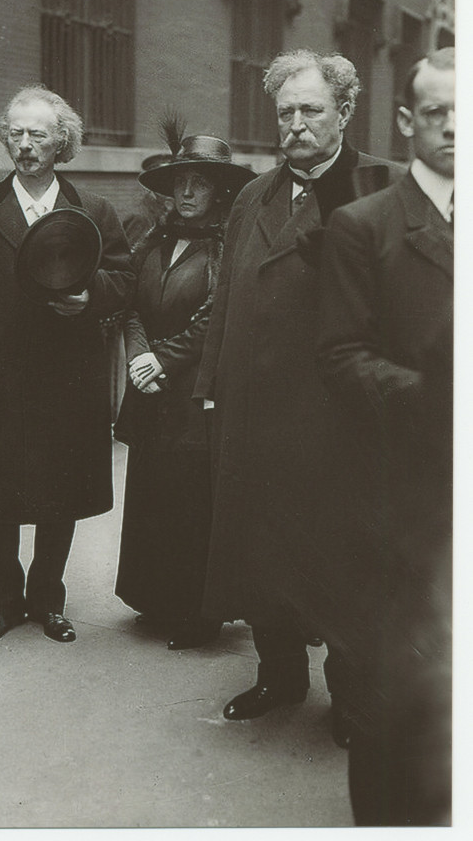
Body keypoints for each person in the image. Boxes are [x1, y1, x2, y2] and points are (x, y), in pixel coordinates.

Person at [193, 50, 402, 743]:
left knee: (343, 560)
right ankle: (279, 675)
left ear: (344, 111)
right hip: (254, 413)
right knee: (260, 552)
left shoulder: (379, 191)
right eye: (285, 111)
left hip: (340, 420)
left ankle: (351, 697)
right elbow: (227, 299)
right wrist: (210, 388)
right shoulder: (253, 195)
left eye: (312, 109)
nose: (297, 124)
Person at [0, 85, 134, 645]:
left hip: (70, 377)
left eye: (38, 135)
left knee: (60, 493)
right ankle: (2, 603)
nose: (25, 145)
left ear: (61, 143)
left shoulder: (92, 212)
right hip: (4, 376)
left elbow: (123, 280)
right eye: (16, 134)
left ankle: (48, 599)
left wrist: (90, 296)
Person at [317, 47, 453, 824]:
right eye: (437, 111)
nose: (455, 127)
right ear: (405, 121)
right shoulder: (362, 226)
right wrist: (439, 400)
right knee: (393, 700)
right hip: (397, 503)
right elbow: (339, 358)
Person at [115, 135, 254, 649]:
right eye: (181, 182)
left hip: (194, 395)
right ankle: (155, 599)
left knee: (193, 501)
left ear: (219, 191)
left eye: (199, 183)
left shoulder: (225, 248)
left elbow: (215, 317)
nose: (188, 192)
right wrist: (137, 354)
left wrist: (161, 360)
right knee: (152, 493)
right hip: (149, 389)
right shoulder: (152, 241)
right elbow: (130, 306)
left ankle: (200, 612)